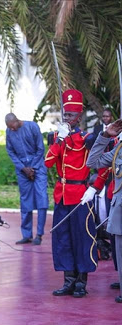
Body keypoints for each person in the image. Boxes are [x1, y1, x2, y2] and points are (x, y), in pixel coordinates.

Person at [45, 89, 104, 298]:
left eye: (70, 115)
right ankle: (68, 280)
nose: (67, 118)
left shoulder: (87, 139)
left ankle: (81, 282)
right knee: (63, 238)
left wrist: (94, 187)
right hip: (62, 194)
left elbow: (103, 167)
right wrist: (59, 140)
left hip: (81, 194)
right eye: (65, 114)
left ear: (79, 116)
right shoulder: (56, 137)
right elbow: (48, 162)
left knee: (82, 237)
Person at [86, 118, 122, 303]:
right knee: (120, 248)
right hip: (119, 207)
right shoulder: (119, 150)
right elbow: (92, 162)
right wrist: (106, 136)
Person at [5, 113, 48, 245]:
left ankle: (39, 234)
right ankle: (26, 234)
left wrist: (33, 167)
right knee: (25, 201)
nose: (12, 130)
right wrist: (23, 168)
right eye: (9, 128)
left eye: (13, 127)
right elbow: (10, 152)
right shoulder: (9, 131)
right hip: (22, 170)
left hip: (38, 167)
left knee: (42, 199)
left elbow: (40, 149)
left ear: (18, 120)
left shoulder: (32, 127)